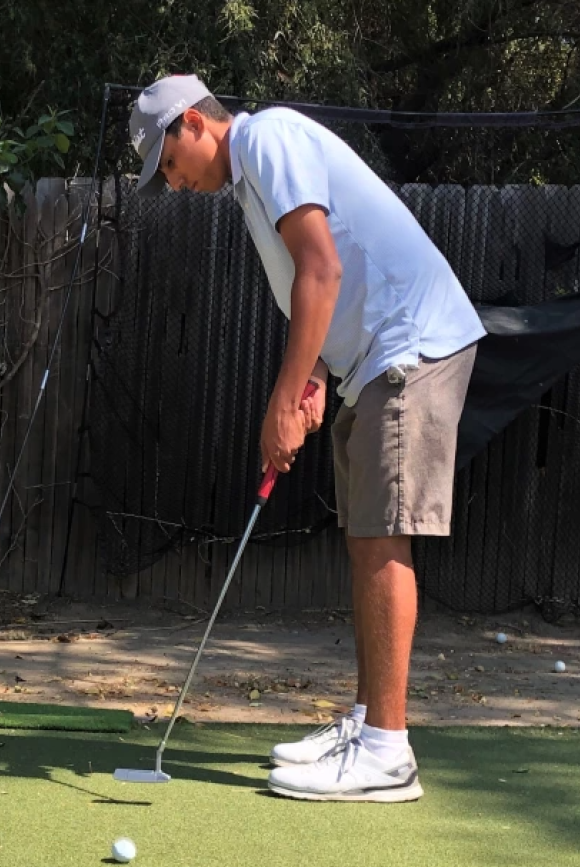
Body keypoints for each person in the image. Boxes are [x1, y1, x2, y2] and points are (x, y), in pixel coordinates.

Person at [129, 74, 485, 802]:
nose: (175, 182)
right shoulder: (251, 184)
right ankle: (367, 722)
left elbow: (322, 269)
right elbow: (316, 282)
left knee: (383, 535)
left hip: (409, 343)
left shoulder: (266, 139)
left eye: (169, 163)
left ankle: (389, 750)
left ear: (195, 123)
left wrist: (284, 400)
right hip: (369, 359)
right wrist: (316, 371)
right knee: (364, 535)